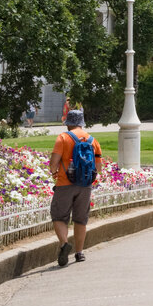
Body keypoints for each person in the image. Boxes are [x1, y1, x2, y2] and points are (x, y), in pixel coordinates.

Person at [49, 109, 101, 266]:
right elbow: (98, 167)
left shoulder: (63, 138)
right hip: (84, 186)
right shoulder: (92, 140)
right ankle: (79, 253)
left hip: (65, 183)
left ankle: (64, 244)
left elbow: (53, 163)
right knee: (80, 219)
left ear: (68, 123)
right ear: (81, 122)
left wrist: (54, 172)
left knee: (59, 216)